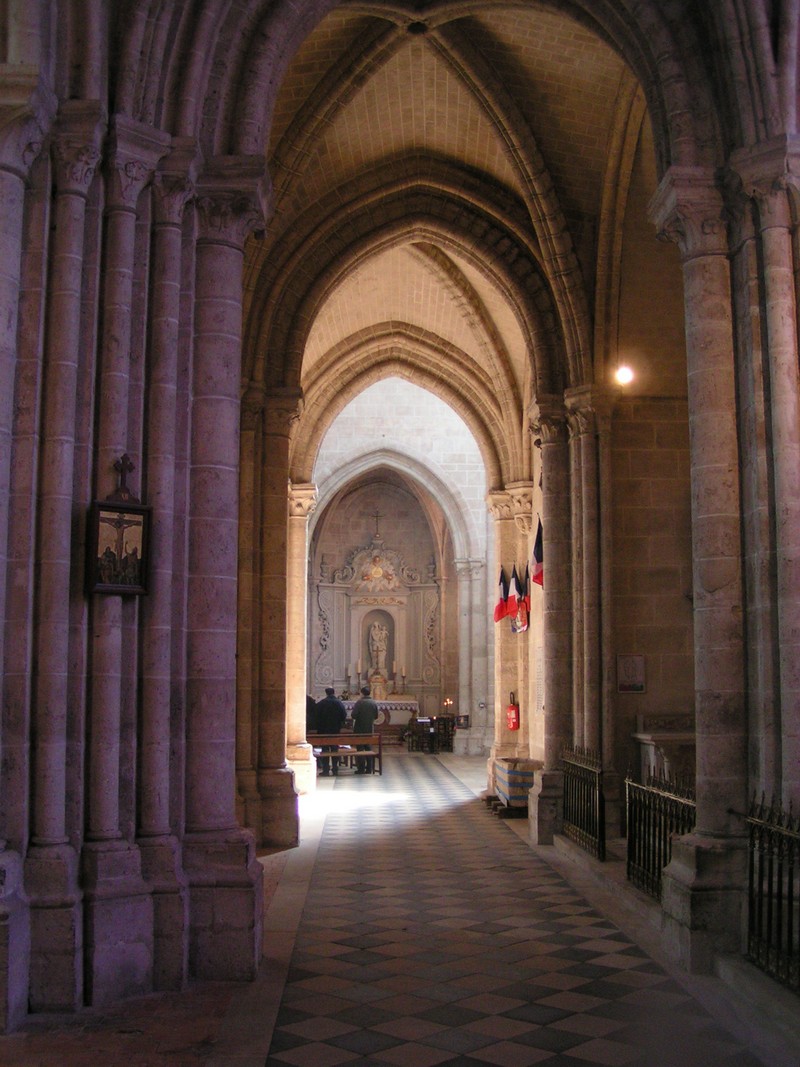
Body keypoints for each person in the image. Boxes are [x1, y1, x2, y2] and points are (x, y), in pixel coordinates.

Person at [314, 686, 347, 776]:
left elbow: (316, 716)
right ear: (334, 692)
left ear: (326, 693)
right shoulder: (338, 703)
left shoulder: (322, 703)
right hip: (335, 729)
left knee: (325, 749)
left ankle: (325, 769)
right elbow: (344, 715)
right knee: (334, 749)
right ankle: (335, 769)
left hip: (323, 730)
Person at [351, 685, 379, 773]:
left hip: (359, 728)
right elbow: (376, 716)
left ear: (362, 693)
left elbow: (353, 715)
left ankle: (361, 768)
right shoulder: (373, 703)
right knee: (368, 749)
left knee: (360, 749)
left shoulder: (359, 702)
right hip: (369, 729)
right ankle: (369, 768)